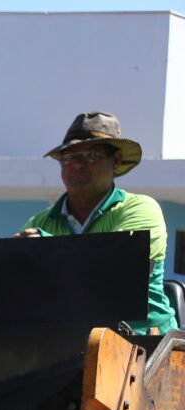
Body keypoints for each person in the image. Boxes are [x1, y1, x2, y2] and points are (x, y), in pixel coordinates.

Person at [18, 111, 179, 334]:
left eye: (91, 155)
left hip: (146, 343)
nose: (77, 165)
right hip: (70, 344)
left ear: (116, 161)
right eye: (69, 157)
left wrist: (46, 250)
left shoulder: (140, 209)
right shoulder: (40, 221)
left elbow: (116, 273)